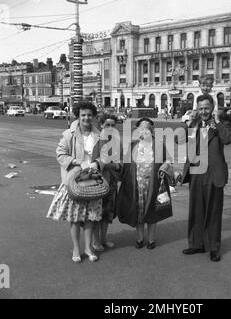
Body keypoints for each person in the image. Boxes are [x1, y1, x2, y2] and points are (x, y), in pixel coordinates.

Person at [46, 101, 104, 263]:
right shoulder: (68, 135)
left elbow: (105, 156)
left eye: (89, 115)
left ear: (93, 117)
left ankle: (88, 248)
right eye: (83, 115)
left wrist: (97, 163)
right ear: (78, 116)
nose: (86, 118)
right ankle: (76, 248)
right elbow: (60, 154)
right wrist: (78, 162)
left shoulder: (99, 135)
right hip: (74, 180)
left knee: (90, 217)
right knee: (75, 217)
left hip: (92, 180)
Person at [180, 94, 231, 262]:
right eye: (201, 108)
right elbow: (178, 139)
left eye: (207, 108)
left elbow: (228, 139)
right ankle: (196, 244)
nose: (204, 111)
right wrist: (188, 123)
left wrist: (217, 122)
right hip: (196, 173)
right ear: (197, 109)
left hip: (214, 174)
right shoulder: (193, 124)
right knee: (196, 210)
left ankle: (213, 248)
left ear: (212, 109)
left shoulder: (220, 125)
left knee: (213, 212)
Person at [117, 118, 173, 250]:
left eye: (147, 128)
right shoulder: (132, 145)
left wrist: (164, 167)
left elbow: (168, 160)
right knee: (138, 212)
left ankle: (151, 240)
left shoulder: (159, 145)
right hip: (136, 184)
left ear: (152, 130)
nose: (144, 131)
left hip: (153, 183)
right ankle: (140, 238)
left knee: (152, 211)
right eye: (141, 128)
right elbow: (125, 165)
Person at [92, 114, 121, 252]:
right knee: (97, 213)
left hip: (112, 182)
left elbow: (121, 164)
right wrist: (111, 164)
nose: (110, 128)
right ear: (101, 125)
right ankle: (96, 241)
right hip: (98, 182)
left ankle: (104, 238)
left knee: (108, 213)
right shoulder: (97, 141)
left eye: (113, 125)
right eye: (107, 125)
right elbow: (94, 163)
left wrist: (114, 165)